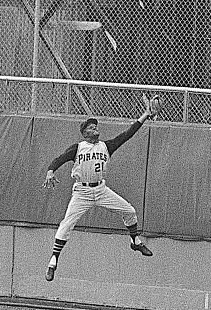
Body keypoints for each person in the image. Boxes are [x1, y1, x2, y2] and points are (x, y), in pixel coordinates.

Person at [41, 97, 159, 281]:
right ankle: (53, 261)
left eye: (95, 125)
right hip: (82, 192)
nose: (95, 127)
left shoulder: (106, 146)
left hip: (101, 190)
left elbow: (127, 134)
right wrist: (50, 171)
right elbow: (60, 159)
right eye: (90, 126)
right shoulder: (78, 148)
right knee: (66, 224)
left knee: (129, 211)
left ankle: (135, 241)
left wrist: (145, 115)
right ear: (84, 133)